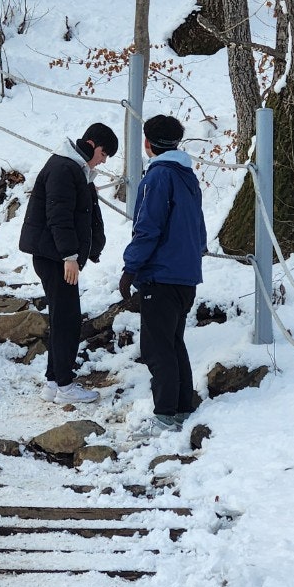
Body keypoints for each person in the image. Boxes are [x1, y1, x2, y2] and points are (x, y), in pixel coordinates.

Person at [19, 122, 119, 404]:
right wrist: (70, 257)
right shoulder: (65, 169)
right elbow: (59, 216)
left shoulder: (73, 168)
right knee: (68, 320)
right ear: (91, 144)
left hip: (54, 255)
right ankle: (64, 384)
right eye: (103, 153)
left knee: (63, 317)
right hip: (56, 258)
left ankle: (53, 382)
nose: (103, 159)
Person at [120, 114, 207, 435]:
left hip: (161, 274)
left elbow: (148, 227)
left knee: (157, 348)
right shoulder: (187, 177)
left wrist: (130, 268)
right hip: (185, 277)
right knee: (173, 343)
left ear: (147, 143)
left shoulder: (158, 177)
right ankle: (182, 407)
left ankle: (165, 416)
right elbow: (199, 229)